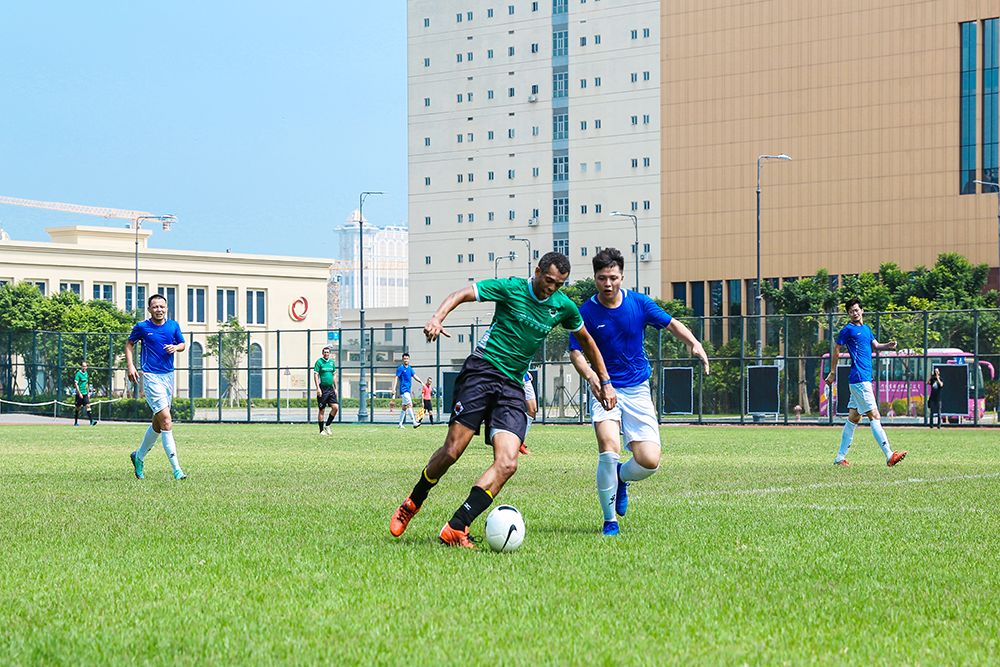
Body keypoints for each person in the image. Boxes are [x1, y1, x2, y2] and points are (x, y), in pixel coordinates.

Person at [389, 252, 615, 548]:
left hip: (512, 385)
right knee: (453, 450)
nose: (550, 288)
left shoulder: (563, 307)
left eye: (558, 284)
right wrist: (436, 317)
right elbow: (463, 293)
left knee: (508, 463)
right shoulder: (511, 288)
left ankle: (457, 526)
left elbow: (587, 340)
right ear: (536, 271)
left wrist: (605, 381)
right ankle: (414, 500)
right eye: (547, 280)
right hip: (482, 371)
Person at [568, 248, 710, 537]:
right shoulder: (585, 312)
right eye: (601, 278)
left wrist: (694, 343)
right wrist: (592, 376)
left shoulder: (639, 304)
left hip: (637, 389)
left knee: (649, 461)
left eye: (613, 277)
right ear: (594, 278)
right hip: (605, 390)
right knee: (609, 449)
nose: (608, 284)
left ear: (622, 276)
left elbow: (671, 323)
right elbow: (575, 352)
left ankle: (621, 478)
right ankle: (610, 521)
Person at [824, 298, 907, 467]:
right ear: (848, 314)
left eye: (856, 310)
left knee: (853, 418)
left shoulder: (867, 329)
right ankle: (889, 455)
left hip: (862, 379)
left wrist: (888, 346)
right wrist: (832, 372)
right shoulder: (847, 330)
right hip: (859, 378)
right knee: (874, 415)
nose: (854, 313)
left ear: (862, 310)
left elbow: (875, 345)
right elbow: (836, 349)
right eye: (851, 311)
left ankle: (840, 457)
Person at [126, 294, 187, 480]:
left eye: (162, 306)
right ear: (149, 309)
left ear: (166, 308)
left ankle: (139, 456)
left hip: (168, 377)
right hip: (151, 377)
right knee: (167, 420)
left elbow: (183, 344)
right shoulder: (142, 327)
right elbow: (129, 344)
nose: (159, 309)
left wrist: (176, 348)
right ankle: (177, 469)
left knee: (158, 423)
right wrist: (130, 366)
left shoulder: (173, 326)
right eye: (155, 307)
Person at [392, 353, 422, 429]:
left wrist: (421, 382)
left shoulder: (410, 369)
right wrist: (394, 388)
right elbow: (396, 378)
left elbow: (414, 376)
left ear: (409, 359)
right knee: (409, 405)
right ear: (402, 359)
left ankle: (400, 424)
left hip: (408, 390)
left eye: (407, 358)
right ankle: (414, 422)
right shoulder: (400, 368)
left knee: (404, 407)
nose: (406, 360)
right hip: (404, 390)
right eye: (404, 358)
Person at [313, 346, 339, 436]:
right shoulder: (319, 362)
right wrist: (318, 388)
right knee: (322, 410)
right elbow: (316, 375)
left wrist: (335, 388)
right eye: (325, 352)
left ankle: (327, 425)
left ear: (330, 353)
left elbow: (334, 375)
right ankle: (321, 431)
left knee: (335, 407)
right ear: (322, 353)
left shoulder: (332, 362)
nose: (326, 354)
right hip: (323, 389)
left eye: (328, 352)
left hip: (330, 389)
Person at [73, 361, 97, 426]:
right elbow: (76, 384)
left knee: (88, 406)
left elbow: (86, 383)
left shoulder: (86, 373)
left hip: (85, 393)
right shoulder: (78, 374)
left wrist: (88, 392)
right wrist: (79, 393)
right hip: (79, 394)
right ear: (81, 367)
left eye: (85, 366)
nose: (84, 368)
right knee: (78, 408)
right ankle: (75, 422)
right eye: (83, 366)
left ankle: (91, 421)